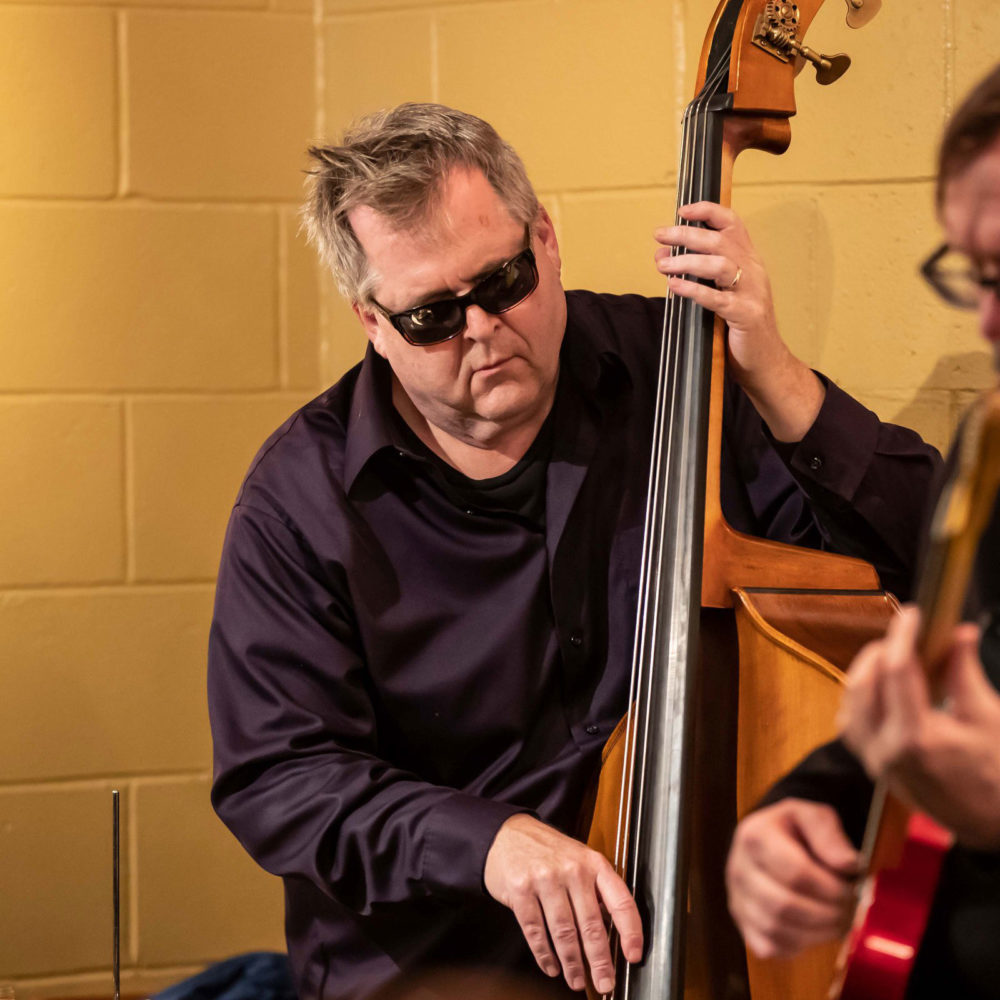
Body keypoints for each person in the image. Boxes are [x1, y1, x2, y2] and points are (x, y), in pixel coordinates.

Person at [207, 103, 938, 1000]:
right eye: (433, 317)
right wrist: (489, 843)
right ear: (372, 320)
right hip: (443, 969)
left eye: (502, 282)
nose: (481, 330)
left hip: (696, 956)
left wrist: (777, 375)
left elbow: (929, 572)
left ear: (546, 239)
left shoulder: (683, 375)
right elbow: (278, 778)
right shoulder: (301, 499)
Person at [725, 64, 1000, 1000]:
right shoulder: (994, 443)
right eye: (979, 274)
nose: (990, 321)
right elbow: (955, 698)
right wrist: (804, 808)